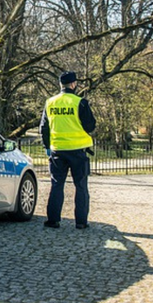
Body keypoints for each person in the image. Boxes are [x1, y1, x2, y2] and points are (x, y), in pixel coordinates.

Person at [39, 71, 96, 229]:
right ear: (73, 84)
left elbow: (44, 127)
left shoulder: (50, 102)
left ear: (60, 85)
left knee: (57, 184)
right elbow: (90, 126)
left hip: (57, 150)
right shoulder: (80, 103)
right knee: (81, 186)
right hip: (78, 150)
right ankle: (81, 222)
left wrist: (47, 146)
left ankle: (53, 220)